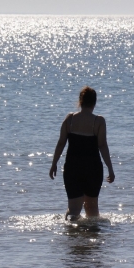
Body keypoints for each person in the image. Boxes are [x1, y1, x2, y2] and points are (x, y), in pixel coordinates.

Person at [49, 86, 115, 221]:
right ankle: (91, 238)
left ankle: (71, 236)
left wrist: (54, 163)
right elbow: (102, 145)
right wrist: (110, 168)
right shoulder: (99, 121)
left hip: (72, 168)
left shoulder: (70, 119)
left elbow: (61, 143)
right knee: (92, 210)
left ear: (80, 101)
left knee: (73, 210)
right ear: (94, 103)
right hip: (92, 168)